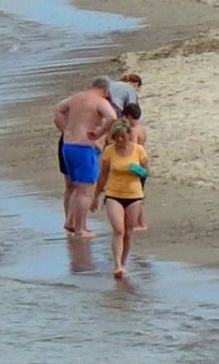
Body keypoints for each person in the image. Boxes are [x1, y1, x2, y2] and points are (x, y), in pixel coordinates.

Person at [54, 78, 117, 238]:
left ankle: (71, 221)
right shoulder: (99, 101)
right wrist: (99, 132)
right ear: (106, 90)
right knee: (86, 189)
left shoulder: (76, 98)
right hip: (84, 146)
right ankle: (80, 228)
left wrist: (66, 129)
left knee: (76, 187)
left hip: (67, 146)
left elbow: (58, 110)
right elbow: (112, 117)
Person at [90, 118, 148, 278]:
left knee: (128, 232)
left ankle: (123, 262)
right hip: (113, 194)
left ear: (129, 135)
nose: (120, 140)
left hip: (134, 195)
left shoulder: (138, 150)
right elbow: (103, 175)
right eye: (117, 137)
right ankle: (116, 265)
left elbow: (146, 172)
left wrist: (140, 171)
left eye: (123, 136)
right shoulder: (109, 151)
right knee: (118, 229)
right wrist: (95, 196)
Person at [122, 102, 149, 230]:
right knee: (139, 193)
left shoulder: (133, 131)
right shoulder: (142, 129)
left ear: (129, 116)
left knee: (136, 195)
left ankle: (141, 222)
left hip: (136, 164)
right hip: (143, 162)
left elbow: (132, 148)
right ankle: (140, 222)